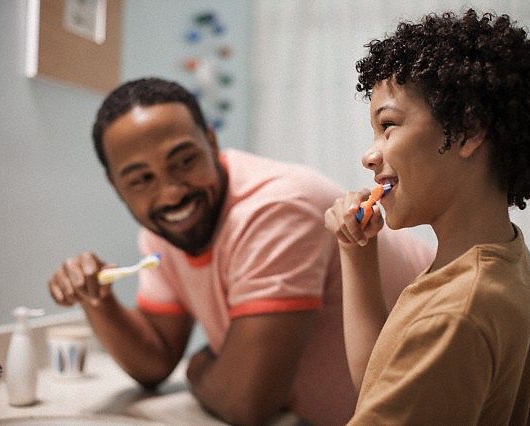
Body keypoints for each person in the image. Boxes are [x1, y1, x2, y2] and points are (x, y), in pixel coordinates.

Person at [47, 77, 433, 425]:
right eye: (141, 179)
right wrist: (97, 300)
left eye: (184, 161)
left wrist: (198, 366)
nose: (171, 193)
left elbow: (246, 403)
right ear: (116, 185)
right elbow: (156, 360)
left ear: (211, 142)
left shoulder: (276, 208)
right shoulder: (164, 230)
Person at [324, 9, 530, 425]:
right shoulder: (502, 257)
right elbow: (379, 384)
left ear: (468, 130)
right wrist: (355, 251)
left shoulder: (455, 313)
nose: (369, 155)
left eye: (388, 126)